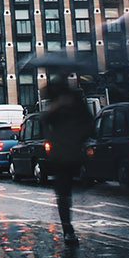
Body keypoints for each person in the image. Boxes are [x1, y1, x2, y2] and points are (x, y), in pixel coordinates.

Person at [42, 76, 95, 244]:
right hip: (61, 154)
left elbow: (89, 123)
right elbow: (45, 121)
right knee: (63, 192)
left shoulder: (76, 100)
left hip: (72, 151)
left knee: (67, 191)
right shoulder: (56, 102)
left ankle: (68, 227)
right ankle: (67, 228)